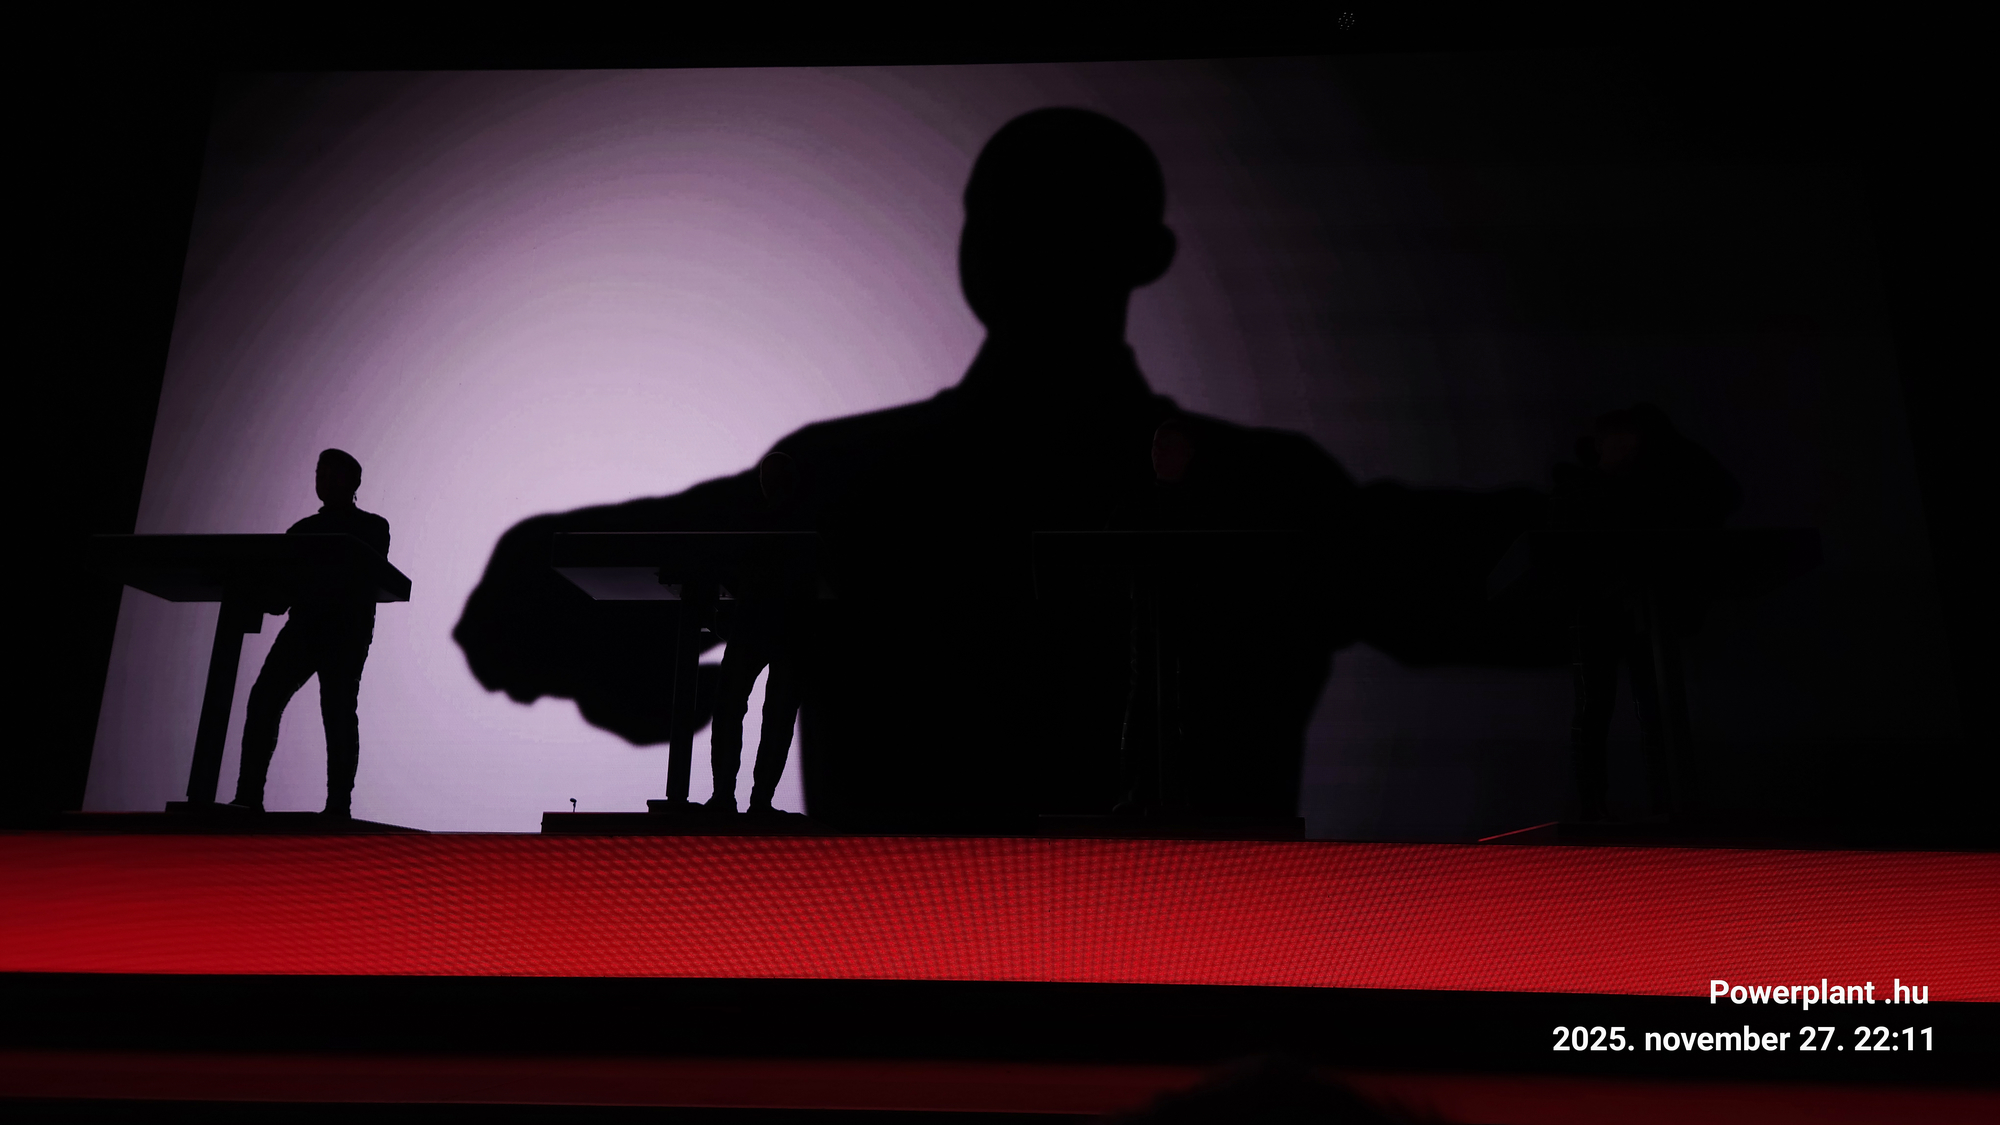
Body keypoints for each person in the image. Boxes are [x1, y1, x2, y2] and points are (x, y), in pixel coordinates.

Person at [455, 108, 1355, 830]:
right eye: (1007, 215)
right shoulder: (1274, 488)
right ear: (1150, 257)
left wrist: (676, 666)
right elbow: (521, 598)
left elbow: (522, 597)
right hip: (1177, 960)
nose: (1024, 241)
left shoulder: (842, 474)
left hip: (893, 957)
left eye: (1052, 216)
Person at [1549, 404, 1741, 820]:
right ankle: (1600, 808)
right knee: (1603, 706)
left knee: (1653, 706)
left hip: (1643, 605)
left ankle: (1664, 805)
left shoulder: (1665, 484)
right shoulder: (1583, 485)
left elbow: (1719, 495)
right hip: (1603, 606)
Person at [228, 449, 391, 818]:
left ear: (354, 482)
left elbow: (365, 573)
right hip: (304, 627)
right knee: (265, 699)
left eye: (333, 473)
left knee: (337, 710)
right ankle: (248, 796)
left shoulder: (372, 527)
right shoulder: (301, 531)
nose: (324, 480)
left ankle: (338, 806)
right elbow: (280, 592)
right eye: (320, 472)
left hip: (345, 630)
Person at [702, 452, 808, 817]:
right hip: (788, 625)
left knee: (733, 708)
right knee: (775, 713)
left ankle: (726, 797)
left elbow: (730, 569)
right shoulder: (800, 525)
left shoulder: (752, 524)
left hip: (756, 622)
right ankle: (757, 800)